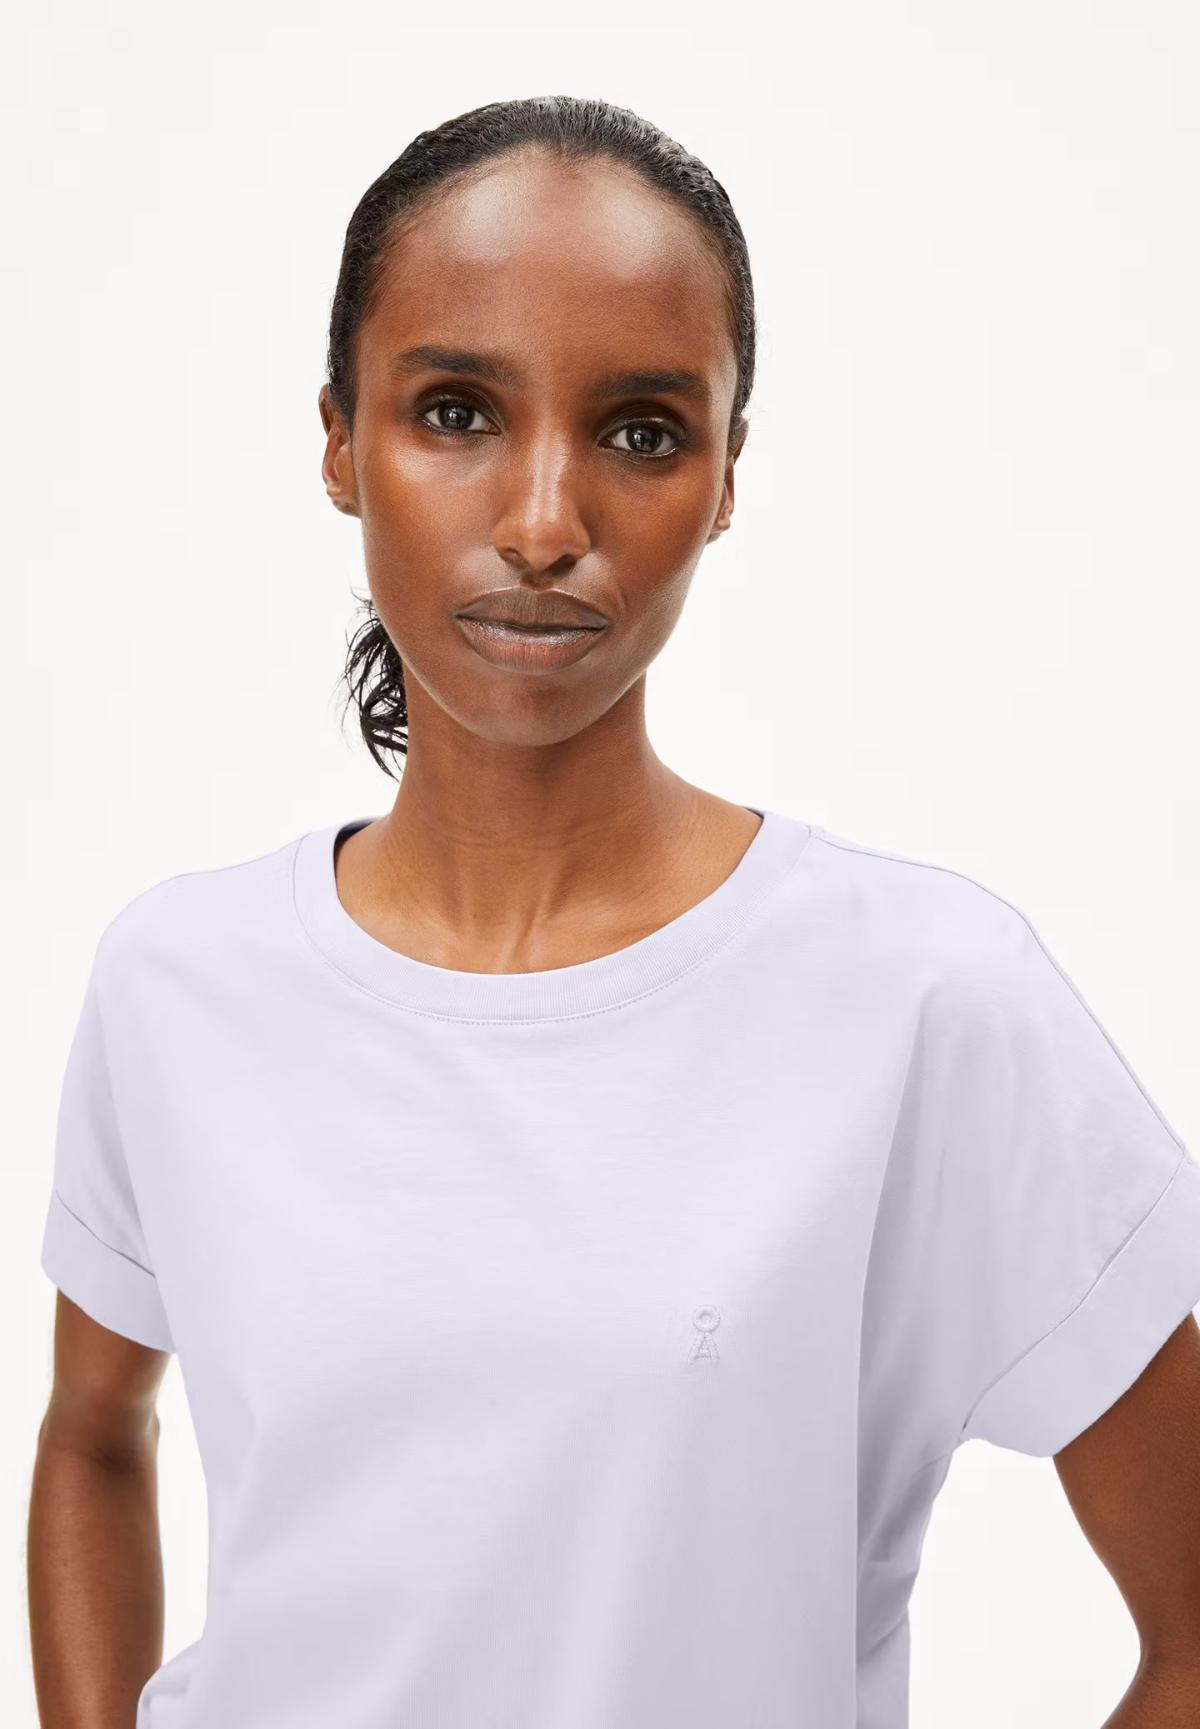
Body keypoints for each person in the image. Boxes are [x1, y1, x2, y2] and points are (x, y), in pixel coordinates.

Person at [27, 94, 1200, 1729]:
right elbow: (94, 1434)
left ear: (725, 478)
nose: (542, 523)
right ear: (340, 442)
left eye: (643, 431)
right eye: (454, 411)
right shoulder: (178, 982)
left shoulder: (923, 1000)